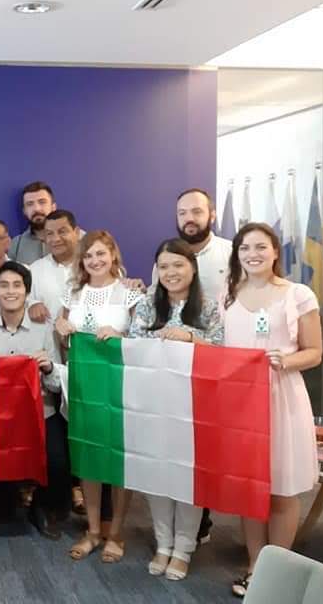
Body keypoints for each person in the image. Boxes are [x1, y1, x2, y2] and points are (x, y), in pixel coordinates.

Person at [222, 223, 322, 599]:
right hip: (240, 402)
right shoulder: (228, 295)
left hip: (282, 398)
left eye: (260, 247)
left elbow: (315, 352)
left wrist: (287, 360)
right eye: (245, 248)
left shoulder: (298, 295)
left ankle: (277, 572)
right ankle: (254, 567)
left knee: (281, 488)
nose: (253, 254)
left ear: (275, 251)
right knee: (250, 487)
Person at [128, 238, 223, 581]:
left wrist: (191, 339)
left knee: (187, 477)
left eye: (178, 265)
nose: (171, 272)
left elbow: (223, 352)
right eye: (164, 266)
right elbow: (134, 347)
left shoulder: (209, 307)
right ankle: (163, 544)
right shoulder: (145, 305)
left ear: (192, 268)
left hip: (195, 408)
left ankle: (183, 549)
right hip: (154, 404)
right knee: (156, 475)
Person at [57, 230, 142, 564]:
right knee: (88, 456)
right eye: (88, 255)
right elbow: (63, 338)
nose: (95, 261)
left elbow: (141, 339)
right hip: (83, 386)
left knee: (118, 460)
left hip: (118, 388)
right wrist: (60, 328)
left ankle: (116, 532)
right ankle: (93, 530)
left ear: (113, 255)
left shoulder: (130, 293)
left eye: (100, 254)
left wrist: (119, 335)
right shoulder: (73, 293)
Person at [157, 188, 233, 545]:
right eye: (182, 212)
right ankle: (172, 534)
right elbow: (154, 310)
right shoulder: (166, 258)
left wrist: (190, 339)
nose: (189, 218)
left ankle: (194, 530)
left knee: (200, 457)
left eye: (196, 211)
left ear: (211, 214)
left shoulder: (231, 253)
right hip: (165, 385)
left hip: (208, 377)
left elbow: (220, 341)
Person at [0, 261, 66, 540]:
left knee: (57, 460)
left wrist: (48, 368)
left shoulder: (44, 329)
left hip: (40, 411)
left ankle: (43, 507)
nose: (10, 291)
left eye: (17, 285)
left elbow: (57, 384)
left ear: (27, 291)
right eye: (4, 286)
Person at [29, 209, 80, 322]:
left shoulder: (94, 266)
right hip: (47, 332)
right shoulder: (34, 270)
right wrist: (32, 305)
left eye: (62, 231)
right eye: (50, 234)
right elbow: (23, 301)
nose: (56, 239)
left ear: (76, 233)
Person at [7, 181, 58, 265]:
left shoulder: (75, 239)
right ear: (24, 211)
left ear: (53, 207)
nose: (36, 209)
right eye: (30, 204)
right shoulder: (15, 245)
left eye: (42, 202)